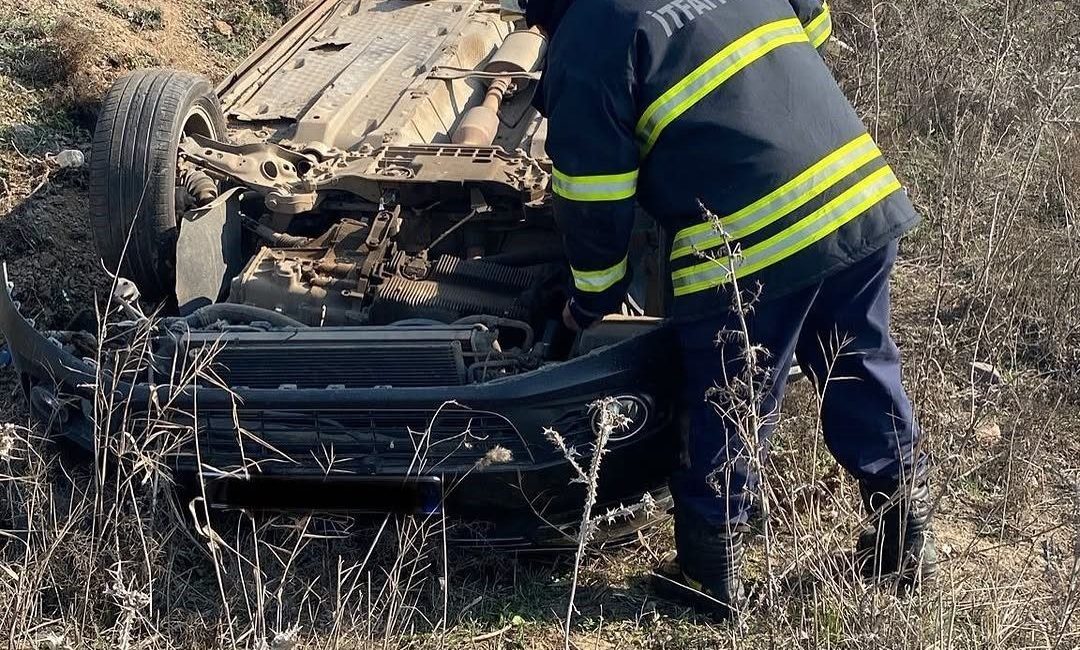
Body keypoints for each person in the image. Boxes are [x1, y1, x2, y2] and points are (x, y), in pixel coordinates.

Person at [521, 0, 936, 618]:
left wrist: (591, 300)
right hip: (855, 191)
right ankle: (906, 541)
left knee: (730, 398)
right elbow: (813, 23)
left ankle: (710, 576)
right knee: (860, 361)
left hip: (753, 235)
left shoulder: (590, 33)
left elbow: (595, 196)